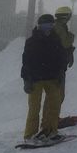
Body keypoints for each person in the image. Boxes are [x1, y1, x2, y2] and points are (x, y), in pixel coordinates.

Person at [20, 13, 69, 143]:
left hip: (52, 78)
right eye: (45, 25)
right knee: (34, 108)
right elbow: (26, 62)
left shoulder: (55, 39)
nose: (47, 28)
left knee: (54, 106)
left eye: (50, 25)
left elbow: (61, 57)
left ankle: (50, 131)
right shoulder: (32, 42)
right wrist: (26, 79)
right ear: (39, 26)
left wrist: (61, 72)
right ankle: (30, 135)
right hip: (35, 79)